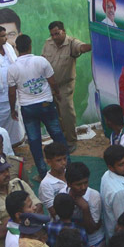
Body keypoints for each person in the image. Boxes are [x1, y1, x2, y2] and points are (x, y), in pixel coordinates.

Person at [6, 34, 65, 177]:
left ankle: (43, 173)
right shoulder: (41, 61)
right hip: (46, 104)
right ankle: (66, 166)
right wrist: (57, 94)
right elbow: (52, 81)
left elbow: (12, 93)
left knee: (34, 141)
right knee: (57, 135)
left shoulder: (12, 68)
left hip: (28, 108)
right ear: (30, 45)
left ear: (16, 48)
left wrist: (13, 108)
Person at [41, 22, 91, 151]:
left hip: (64, 86)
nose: (55, 37)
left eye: (57, 33)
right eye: (52, 35)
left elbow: (82, 47)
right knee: (54, 114)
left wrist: (93, 45)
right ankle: (61, 139)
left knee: (66, 113)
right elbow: (43, 59)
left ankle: (71, 141)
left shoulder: (72, 43)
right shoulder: (48, 43)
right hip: (49, 85)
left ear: (64, 31)